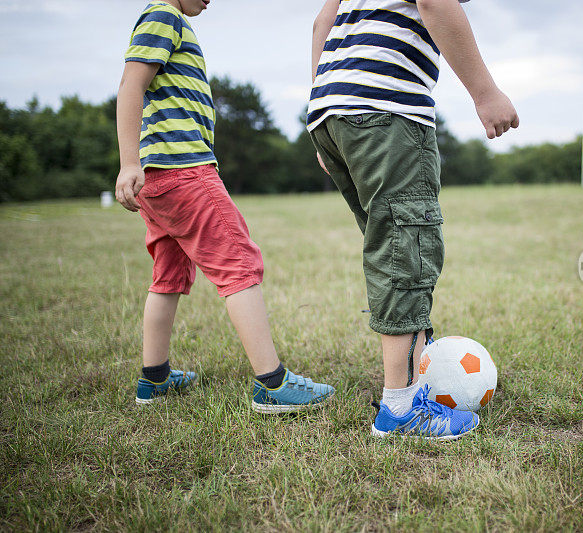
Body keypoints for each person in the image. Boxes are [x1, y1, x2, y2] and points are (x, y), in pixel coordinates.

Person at [308, 0, 518, 439]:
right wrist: (485, 92)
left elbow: (322, 22)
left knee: (390, 245)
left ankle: (412, 387)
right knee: (406, 254)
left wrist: (323, 106)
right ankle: (400, 409)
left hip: (333, 108)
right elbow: (435, 3)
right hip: (386, 110)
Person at [116, 0, 334, 412]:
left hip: (159, 177)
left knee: (169, 273)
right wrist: (128, 162)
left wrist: (139, 165)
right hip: (183, 170)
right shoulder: (163, 15)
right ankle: (272, 383)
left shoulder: (171, 21)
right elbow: (131, 84)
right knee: (238, 262)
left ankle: (155, 378)